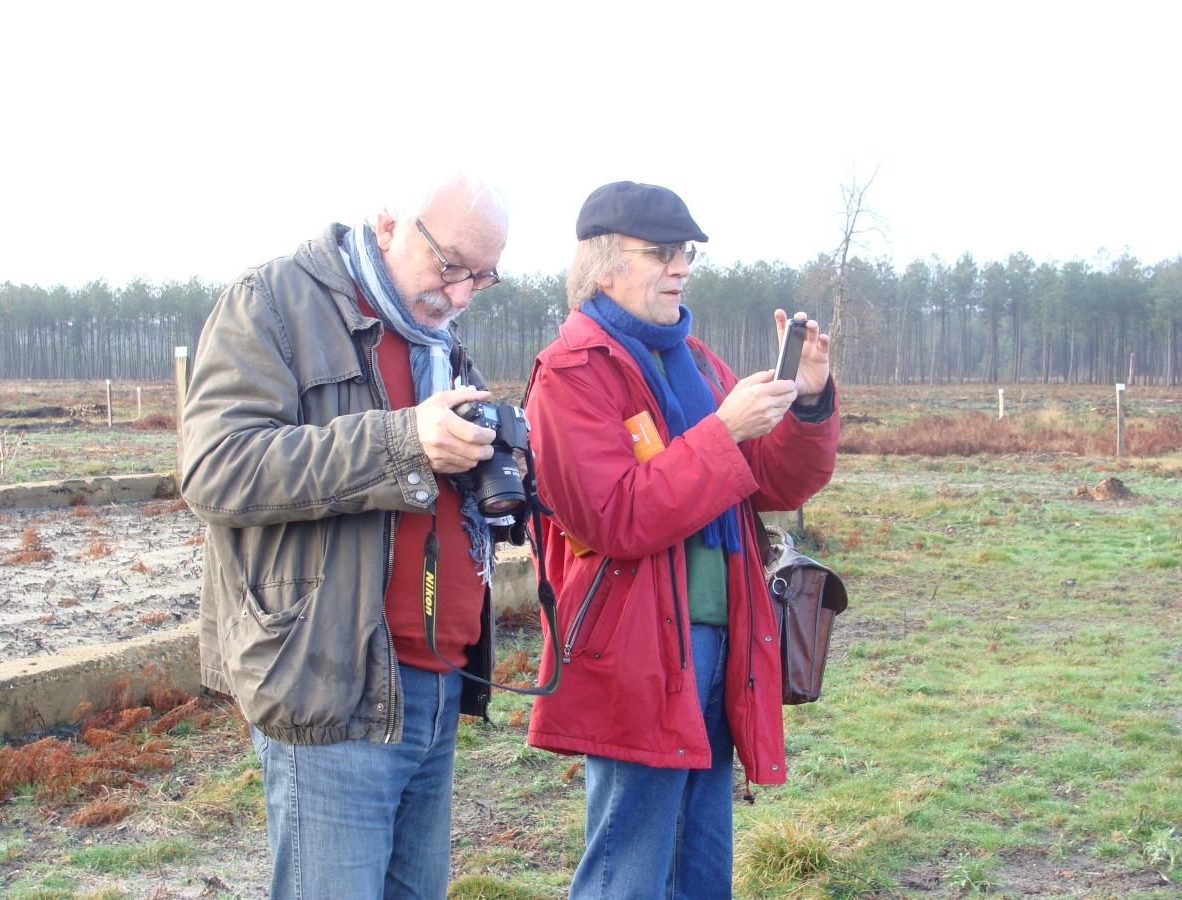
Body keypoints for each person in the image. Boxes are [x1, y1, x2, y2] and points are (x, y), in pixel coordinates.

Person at [180, 173, 510, 899]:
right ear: (389, 222)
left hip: (435, 684)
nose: (458, 296)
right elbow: (216, 469)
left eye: (481, 280)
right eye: (450, 265)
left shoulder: (437, 342)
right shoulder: (272, 302)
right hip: (332, 683)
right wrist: (402, 442)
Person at [524, 181, 840, 899]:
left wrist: (809, 400)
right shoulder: (573, 373)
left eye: (686, 253)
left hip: (722, 640)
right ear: (606, 266)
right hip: (636, 650)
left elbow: (772, 484)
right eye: (662, 252)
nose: (682, 267)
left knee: (701, 860)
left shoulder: (695, 361)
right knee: (628, 867)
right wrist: (724, 429)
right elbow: (614, 517)